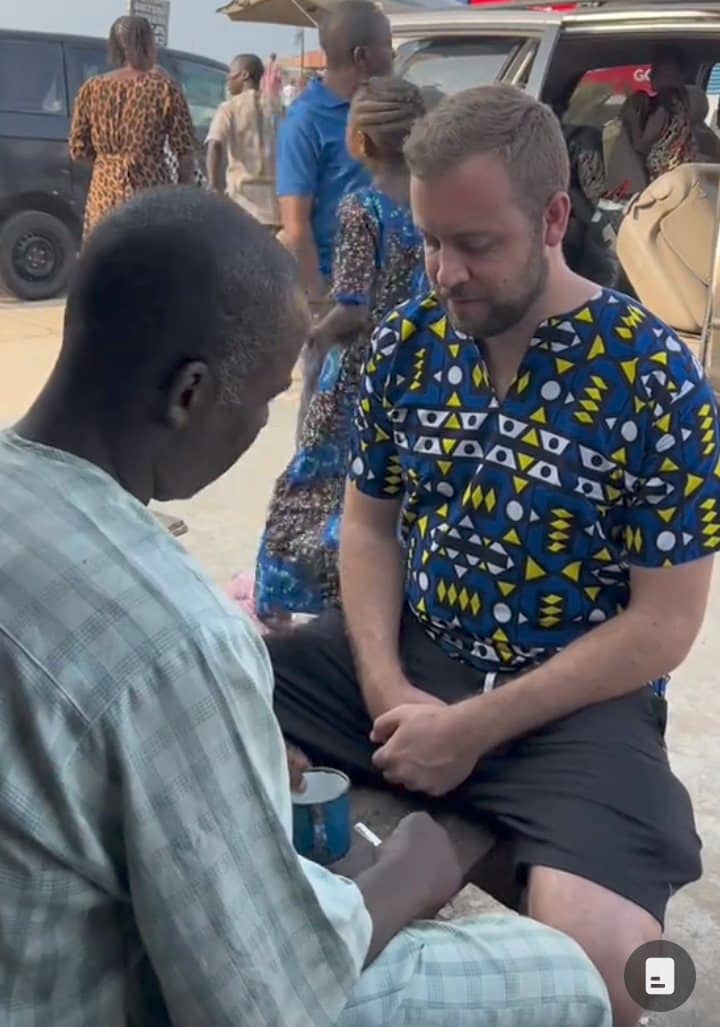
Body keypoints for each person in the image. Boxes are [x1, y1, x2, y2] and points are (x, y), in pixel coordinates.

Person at [0, 187, 611, 1026]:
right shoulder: (177, 643)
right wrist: (410, 875)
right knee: (564, 972)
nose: (260, 425)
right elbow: (262, 1001)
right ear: (188, 394)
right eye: (258, 402)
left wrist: (229, 745)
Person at [267, 84, 720, 1027]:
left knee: (614, 968)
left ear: (555, 217)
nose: (445, 271)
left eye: (476, 244)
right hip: (416, 654)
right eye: (431, 240)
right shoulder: (407, 346)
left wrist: (471, 731)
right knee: (214, 692)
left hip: (574, 699)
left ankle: (476, 821)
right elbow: (369, 527)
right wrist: (390, 687)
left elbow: (664, 626)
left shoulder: (654, 381)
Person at [256, 77, 426, 622]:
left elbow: (352, 307)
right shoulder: (433, 202)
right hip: (420, 369)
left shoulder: (362, 209)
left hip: (361, 373)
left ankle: (285, 605)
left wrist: (312, 336)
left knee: (314, 485)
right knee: (394, 494)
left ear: (364, 142)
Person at [277, 0, 394, 435]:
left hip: (386, 292)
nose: (394, 55)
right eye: (387, 45)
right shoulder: (305, 123)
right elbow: (296, 225)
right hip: (338, 300)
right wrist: (321, 304)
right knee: (325, 428)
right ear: (362, 56)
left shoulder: (384, 113)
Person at [69, 15, 196, 237]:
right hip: (150, 192)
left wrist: (110, 165)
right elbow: (184, 152)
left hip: (103, 195)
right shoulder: (165, 89)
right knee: (147, 261)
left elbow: (78, 150)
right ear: (146, 44)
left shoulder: (91, 89)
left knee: (106, 260)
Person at [206, 54, 280, 230]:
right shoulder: (278, 108)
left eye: (231, 74)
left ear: (244, 75)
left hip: (242, 207)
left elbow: (214, 144)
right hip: (275, 211)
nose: (228, 80)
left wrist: (213, 187)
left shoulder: (229, 108)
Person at [622, 44, 697, 182]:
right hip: (681, 178)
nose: (650, 74)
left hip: (662, 181)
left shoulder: (666, 105)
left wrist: (632, 120)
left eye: (656, 69)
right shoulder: (684, 105)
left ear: (672, 73)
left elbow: (641, 146)